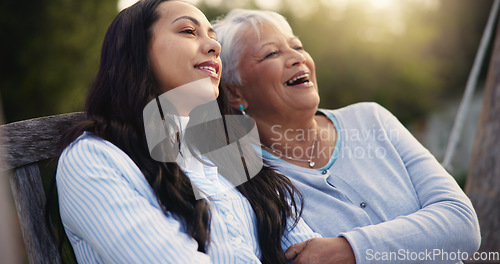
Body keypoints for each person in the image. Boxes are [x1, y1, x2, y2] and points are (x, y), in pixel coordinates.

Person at [54, 1, 320, 263]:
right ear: (136, 51)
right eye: (189, 32)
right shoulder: (94, 159)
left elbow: (311, 253)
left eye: (213, 37)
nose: (214, 47)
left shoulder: (225, 153)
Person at [213, 9, 481, 264]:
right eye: (271, 53)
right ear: (235, 92)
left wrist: (349, 250)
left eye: (297, 46)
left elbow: (463, 224)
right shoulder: (245, 178)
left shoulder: (371, 118)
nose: (298, 58)